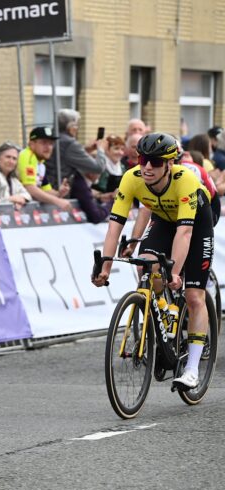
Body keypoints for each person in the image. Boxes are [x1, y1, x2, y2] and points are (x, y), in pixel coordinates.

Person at [93, 133, 213, 388]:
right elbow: (115, 226)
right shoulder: (131, 178)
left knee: (193, 296)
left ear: (169, 164)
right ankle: (162, 311)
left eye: (155, 162)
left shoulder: (185, 181)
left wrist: (175, 272)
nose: (147, 167)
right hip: (163, 221)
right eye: (143, 159)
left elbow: (185, 232)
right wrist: (105, 267)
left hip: (196, 223)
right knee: (145, 265)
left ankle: (191, 369)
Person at [44, 109, 107, 222]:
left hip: (47, 186)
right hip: (61, 189)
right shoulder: (70, 143)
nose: (77, 129)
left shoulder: (52, 137)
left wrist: (85, 149)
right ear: (71, 127)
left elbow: (63, 157)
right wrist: (101, 149)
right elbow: (98, 167)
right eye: (76, 125)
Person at [17, 126, 71, 210]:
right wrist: (57, 201)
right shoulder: (27, 156)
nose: (48, 147)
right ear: (31, 144)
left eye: (51, 143)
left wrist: (59, 193)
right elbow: (30, 188)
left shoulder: (41, 164)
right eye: (43, 143)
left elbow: (46, 190)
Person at [0, 141, 30, 207]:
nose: (11, 161)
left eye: (14, 159)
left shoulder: (13, 179)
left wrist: (21, 199)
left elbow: (27, 194)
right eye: (8, 157)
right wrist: (11, 199)